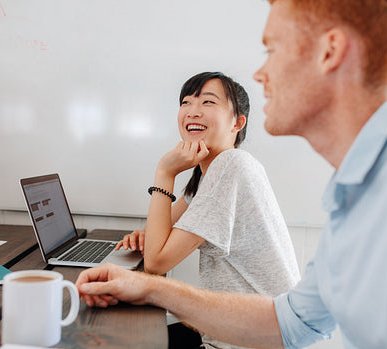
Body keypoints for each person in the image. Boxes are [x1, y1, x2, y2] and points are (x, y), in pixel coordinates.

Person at [76, 0, 387, 348]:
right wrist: (147, 287)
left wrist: (153, 282)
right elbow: (294, 324)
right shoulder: (350, 193)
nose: (260, 74)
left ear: (329, 52)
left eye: (271, 49)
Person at [116, 71, 300, 349]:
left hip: (249, 342)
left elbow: (156, 262)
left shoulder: (231, 166)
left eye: (208, 103)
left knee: (119, 339)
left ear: (237, 122)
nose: (193, 112)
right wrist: (145, 235)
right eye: (186, 102)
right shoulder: (209, 173)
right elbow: (159, 237)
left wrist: (165, 172)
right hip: (248, 333)